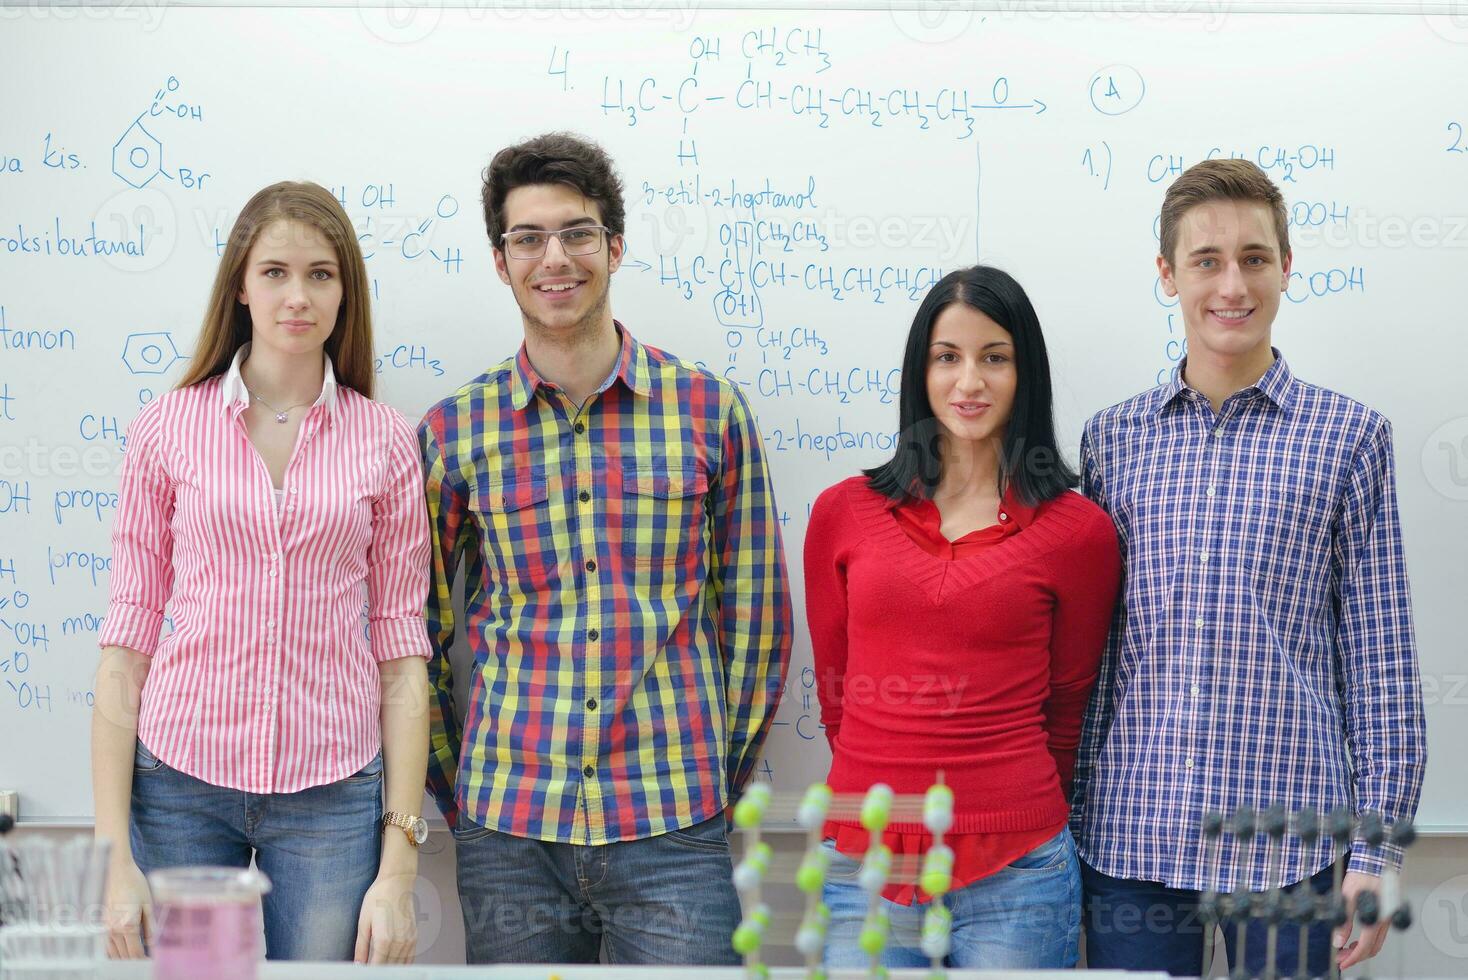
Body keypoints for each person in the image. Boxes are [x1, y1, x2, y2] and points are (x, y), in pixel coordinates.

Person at [419, 131, 792, 965]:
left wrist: (710, 779)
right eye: (528, 238)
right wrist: (460, 791)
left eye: (578, 233)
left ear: (614, 247)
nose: (556, 258)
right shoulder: (453, 433)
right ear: (501, 260)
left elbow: (757, 622)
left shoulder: (707, 411)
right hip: (508, 833)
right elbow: (415, 638)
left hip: (671, 829)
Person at [1071, 158, 1427, 977]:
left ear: (1286, 267)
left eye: (1254, 258)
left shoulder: (1350, 439)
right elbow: (1091, 653)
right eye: (1206, 261)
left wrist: (1376, 852)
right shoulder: (1111, 441)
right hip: (1132, 837)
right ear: (1167, 274)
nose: (1232, 284)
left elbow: (1379, 660)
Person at [92, 181, 431, 964]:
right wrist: (113, 859)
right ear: (240, 286)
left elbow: (401, 647)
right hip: (179, 780)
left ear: (346, 292)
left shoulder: (385, 442)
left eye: (321, 273)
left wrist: (400, 864)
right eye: (274, 272)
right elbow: (127, 640)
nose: (297, 295)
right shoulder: (166, 430)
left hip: (333, 789)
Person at [803, 265, 1121, 969]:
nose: (968, 382)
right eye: (947, 357)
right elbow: (836, 691)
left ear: (1024, 372)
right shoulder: (842, 514)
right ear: (921, 370)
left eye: (994, 358)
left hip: (1018, 871)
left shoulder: (1079, 532)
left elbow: (1068, 705)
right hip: (867, 864)